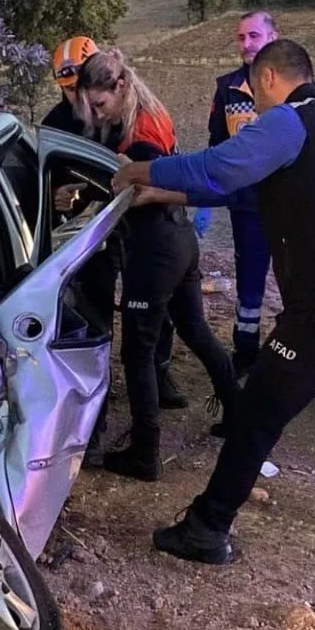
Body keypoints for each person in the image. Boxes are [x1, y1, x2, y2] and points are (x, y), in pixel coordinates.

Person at [112, 39, 315, 554]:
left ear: (269, 78)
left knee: (256, 408)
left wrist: (144, 170)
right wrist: (166, 193)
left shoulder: (288, 120)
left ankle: (207, 526)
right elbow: (244, 189)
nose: (250, 101)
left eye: (251, 88)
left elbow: (221, 165)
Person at [74, 49, 237, 480]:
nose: (95, 112)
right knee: (195, 327)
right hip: (180, 238)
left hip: (156, 246)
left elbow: (132, 189)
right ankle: (238, 411)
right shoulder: (150, 111)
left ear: (120, 86)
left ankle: (145, 453)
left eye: (100, 103)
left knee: (137, 351)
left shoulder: (140, 134)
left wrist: (82, 195)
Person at [43, 37, 185, 437]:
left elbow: (136, 170)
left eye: (81, 86)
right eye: (68, 88)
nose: (78, 98)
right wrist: (61, 199)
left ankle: (161, 375)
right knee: (98, 313)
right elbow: (55, 178)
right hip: (92, 232)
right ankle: (97, 413)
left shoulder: (125, 116)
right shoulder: (58, 123)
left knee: (155, 308)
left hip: (137, 222)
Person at [209, 11, 279, 373]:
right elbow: (217, 146)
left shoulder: (290, 85)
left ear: (273, 37)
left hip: (288, 205)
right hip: (247, 207)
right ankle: (246, 352)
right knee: (249, 287)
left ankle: (303, 354)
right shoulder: (227, 88)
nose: (246, 44)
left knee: (297, 281)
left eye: (253, 35)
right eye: (240, 37)